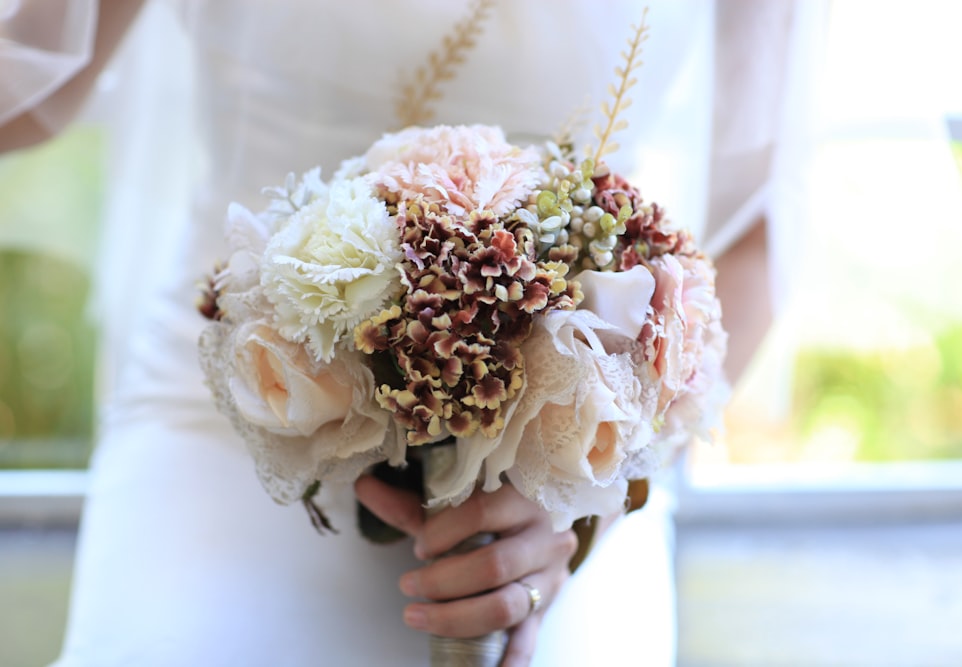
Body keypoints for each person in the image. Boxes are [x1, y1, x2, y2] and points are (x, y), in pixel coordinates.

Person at [2, 1, 796, 664]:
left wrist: (589, 502)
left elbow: (753, 233)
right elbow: (33, 76)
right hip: (239, 407)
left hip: (558, 463)